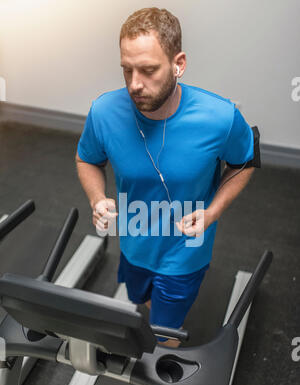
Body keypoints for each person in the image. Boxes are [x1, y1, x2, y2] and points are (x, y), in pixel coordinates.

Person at [76, 7, 259, 348]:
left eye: (148, 70)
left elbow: (244, 164)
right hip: (132, 242)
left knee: (164, 335)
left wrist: (213, 212)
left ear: (179, 64)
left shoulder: (220, 117)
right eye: (126, 70)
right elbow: (87, 159)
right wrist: (96, 198)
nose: (134, 84)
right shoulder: (104, 112)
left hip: (186, 250)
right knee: (141, 301)